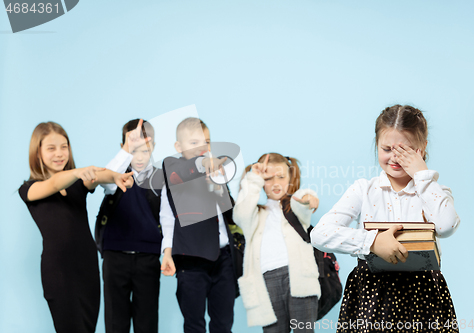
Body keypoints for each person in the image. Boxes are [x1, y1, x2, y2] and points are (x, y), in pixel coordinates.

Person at [311, 105, 460, 332]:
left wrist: (423, 176)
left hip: (423, 293)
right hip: (371, 292)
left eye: (406, 150)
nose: (395, 157)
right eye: (387, 148)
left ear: (422, 148)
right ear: (377, 145)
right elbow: (319, 234)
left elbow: (447, 225)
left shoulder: (434, 191)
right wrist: (372, 242)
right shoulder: (364, 190)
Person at [18, 121, 134, 333]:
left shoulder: (77, 183)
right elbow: (54, 184)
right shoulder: (29, 189)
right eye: (51, 148)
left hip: (87, 268)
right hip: (59, 273)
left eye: (64, 146)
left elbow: (99, 175)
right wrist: (79, 172)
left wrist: (115, 176)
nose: (60, 153)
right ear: (37, 153)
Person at [160, 117, 238, 333]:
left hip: (224, 259)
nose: (202, 147)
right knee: (194, 325)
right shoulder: (172, 167)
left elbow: (230, 214)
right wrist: (167, 252)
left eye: (207, 142)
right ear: (179, 147)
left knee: (223, 324)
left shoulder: (216, 174)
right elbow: (166, 215)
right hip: (191, 259)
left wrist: (218, 184)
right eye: (194, 143)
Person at [234, 153, 321, 333]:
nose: (275, 183)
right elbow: (240, 214)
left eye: (281, 177)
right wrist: (254, 178)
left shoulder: (293, 209)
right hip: (266, 281)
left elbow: (303, 200)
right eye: (268, 178)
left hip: (298, 277)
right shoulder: (253, 215)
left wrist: (308, 198)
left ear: (290, 178)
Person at [96, 119, 165, 333]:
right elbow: (105, 181)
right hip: (115, 257)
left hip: (148, 258)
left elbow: (170, 218)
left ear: (153, 147)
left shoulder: (160, 178)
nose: (140, 156)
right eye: (133, 150)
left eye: (145, 150)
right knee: (116, 323)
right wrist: (128, 148)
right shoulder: (115, 175)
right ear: (123, 149)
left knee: (147, 323)